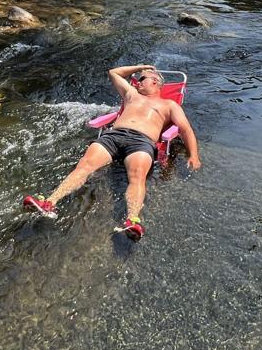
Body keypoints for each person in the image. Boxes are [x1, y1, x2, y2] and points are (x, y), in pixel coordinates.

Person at [22, 64, 201, 240]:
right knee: (84, 166)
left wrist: (194, 155)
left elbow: (185, 129)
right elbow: (113, 73)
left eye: (141, 79)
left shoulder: (169, 105)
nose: (136, 82)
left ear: (154, 81)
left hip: (141, 141)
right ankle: (49, 203)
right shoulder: (131, 94)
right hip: (113, 136)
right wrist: (140, 68)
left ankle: (132, 220)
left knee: (137, 176)